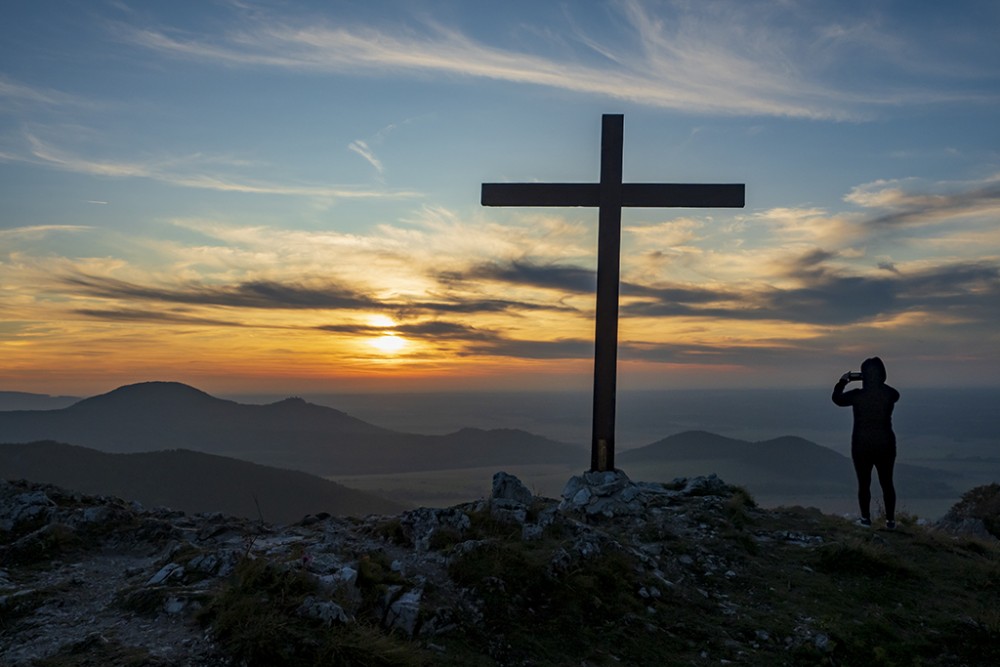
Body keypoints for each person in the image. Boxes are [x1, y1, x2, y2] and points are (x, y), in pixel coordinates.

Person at [832, 357, 900, 529]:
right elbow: (895, 394)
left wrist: (843, 381)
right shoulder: (889, 394)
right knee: (887, 483)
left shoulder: (857, 396)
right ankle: (890, 521)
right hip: (885, 444)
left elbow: (837, 399)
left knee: (864, 484)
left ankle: (865, 519)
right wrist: (877, 381)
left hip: (861, 446)